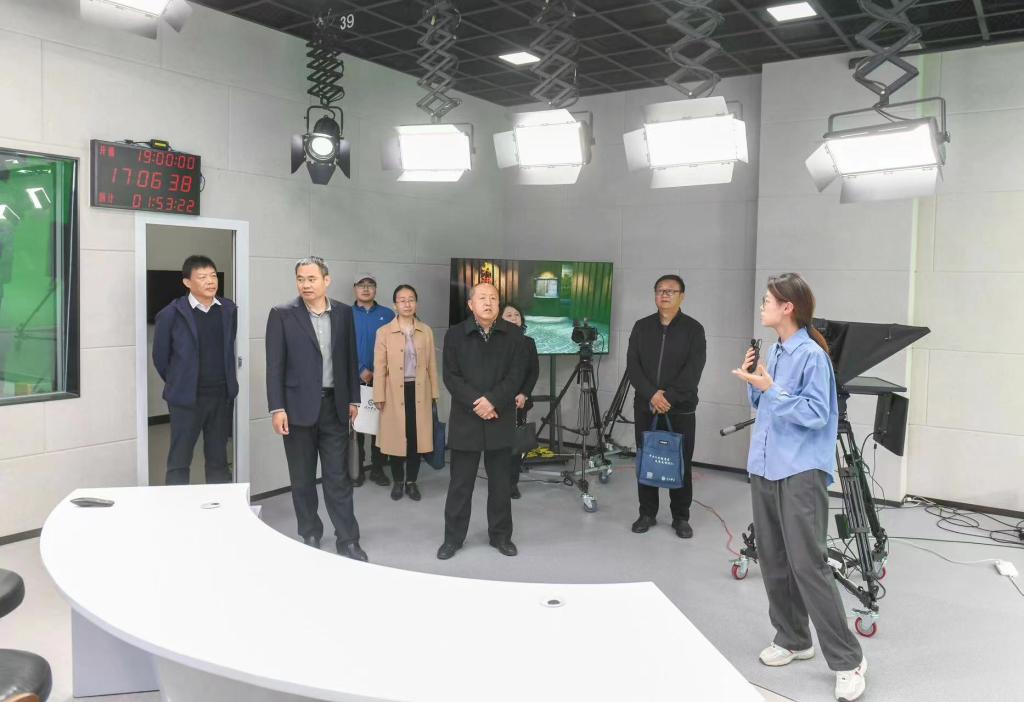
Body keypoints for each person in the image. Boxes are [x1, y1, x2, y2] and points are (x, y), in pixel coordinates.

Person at [732, 273, 866, 702]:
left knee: (809, 564)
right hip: (765, 466)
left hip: (800, 471)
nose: (763, 306)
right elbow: (765, 405)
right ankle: (793, 638)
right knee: (772, 558)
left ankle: (848, 660)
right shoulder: (775, 350)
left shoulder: (812, 356)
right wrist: (755, 382)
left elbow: (816, 414)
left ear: (788, 307)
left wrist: (771, 389)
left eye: (768, 300)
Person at [265, 256, 367, 562]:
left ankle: (348, 538)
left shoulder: (344, 313)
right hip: (296, 410)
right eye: (300, 279)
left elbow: (350, 358)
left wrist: (353, 399)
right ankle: (310, 532)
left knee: (338, 477)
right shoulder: (282, 314)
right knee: (302, 478)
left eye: (311, 279)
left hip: (334, 407)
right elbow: (274, 366)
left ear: (326, 280)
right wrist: (277, 408)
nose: (305, 285)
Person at [438, 283, 528, 560]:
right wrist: (478, 403)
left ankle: (501, 536)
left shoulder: (514, 335)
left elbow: (516, 375)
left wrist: (493, 401)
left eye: (493, 298)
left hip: (500, 416)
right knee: (460, 484)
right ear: (470, 304)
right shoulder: (455, 334)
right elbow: (451, 376)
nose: (488, 303)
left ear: (498, 304)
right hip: (467, 418)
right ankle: (452, 539)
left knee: (501, 484)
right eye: (482, 298)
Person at [626, 274, 706, 538]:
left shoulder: (693, 329)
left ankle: (680, 517)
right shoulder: (641, 327)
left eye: (671, 291)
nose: (665, 295)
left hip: (680, 408)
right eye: (660, 290)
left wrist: (668, 397)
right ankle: (646, 513)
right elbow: (633, 366)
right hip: (646, 406)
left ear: (682, 296)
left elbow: (693, 370)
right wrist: (652, 395)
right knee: (646, 457)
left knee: (680, 461)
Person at [152, 255, 238, 486]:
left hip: (220, 396)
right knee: (180, 460)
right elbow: (160, 358)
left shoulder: (228, 309)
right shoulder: (171, 314)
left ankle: (220, 504)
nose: (210, 281)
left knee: (218, 459)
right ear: (187, 282)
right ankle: (177, 506)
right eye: (202, 277)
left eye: (213, 276)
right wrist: (180, 381)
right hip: (186, 399)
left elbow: (228, 347)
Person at [373, 284, 439, 502]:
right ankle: (398, 481)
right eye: (402, 300)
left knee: (415, 439)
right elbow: (379, 367)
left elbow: (432, 365)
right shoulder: (384, 332)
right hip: (393, 393)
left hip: (419, 392)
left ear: (416, 303)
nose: (407, 304)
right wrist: (379, 396)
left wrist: (434, 393)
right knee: (396, 439)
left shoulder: (425, 331)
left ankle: (411, 481)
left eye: (411, 299)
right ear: (395, 305)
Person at [351, 273, 394, 487]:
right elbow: (341, 346)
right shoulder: (346, 314)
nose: (366, 288)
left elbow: (395, 346)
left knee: (380, 426)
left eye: (370, 285)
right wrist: (360, 369)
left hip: (382, 379)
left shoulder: (388, 314)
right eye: (361, 285)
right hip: (354, 379)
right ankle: (356, 470)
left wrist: (379, 371)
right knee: (356, 426)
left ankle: (378, 469)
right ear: (355, 288)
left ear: (376, 289)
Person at [500, 303, 539, 500]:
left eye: (517, 314)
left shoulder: (528, 343)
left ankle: (511, 483)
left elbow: (533, 372)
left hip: (519, 401)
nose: (514, 317)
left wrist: (524, 393)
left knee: (514, 445)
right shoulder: (492, 342)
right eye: (509, 315)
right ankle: (498, 480)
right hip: (498, 400)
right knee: (498, 444)